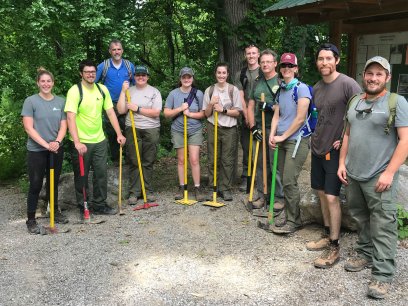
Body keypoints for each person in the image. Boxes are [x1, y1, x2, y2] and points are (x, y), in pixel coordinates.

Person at [338, 56, 408, 299]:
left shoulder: (396, 102)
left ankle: (383, 275)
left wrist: (389, 172)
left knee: (384, 226)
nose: (373, 78)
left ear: (387, 78)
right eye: (370, 73)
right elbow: (347, 134)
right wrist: (341, 163)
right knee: (360, 217)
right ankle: (365, 253)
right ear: (364, 76)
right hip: (354, 174)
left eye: (379, 74)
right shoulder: (356, 100)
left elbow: (405, 141)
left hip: (379, 176)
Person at [307, 43, 361, 269]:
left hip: (335, 150)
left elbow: (360, 114)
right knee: (320, 193)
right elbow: (318, 117)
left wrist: (345, 137)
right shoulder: (317, 87)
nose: (324, 63)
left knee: (331, 197)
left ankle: (335, 246)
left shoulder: (348, 84)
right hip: (318, 147)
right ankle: (328, 234)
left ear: (336, 60)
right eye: (321, 59)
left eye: (329, 58)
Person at [65, 59, 126, 216]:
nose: (91, 74)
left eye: (93, 72)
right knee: (82, 175)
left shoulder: (102, 89)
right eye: (87, 72)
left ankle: (99, 204)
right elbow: (70, 118)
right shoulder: (74, 91)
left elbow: (111, 112)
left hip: (99, 140)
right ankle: (83, 206)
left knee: (101, 173)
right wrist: (77, 142)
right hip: (81, 142)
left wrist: (119, 134)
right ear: (81, 73)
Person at [268, 53, 312, 234]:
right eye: (283, 65)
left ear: (296, 69)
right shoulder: (281, 89)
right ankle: (289, 215)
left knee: (288, 180)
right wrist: (272, 135)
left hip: (297, 140)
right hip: (281, 139)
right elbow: (276, 115)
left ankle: (294, 221)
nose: (286, 68)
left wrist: (282, 136)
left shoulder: (301, 89)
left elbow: (300, 118)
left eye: (290, 65)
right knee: (283, 179)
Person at [21, 68, 68, 233]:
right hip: (37, 150)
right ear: (38, 83)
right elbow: (28, 128)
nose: (46, 84)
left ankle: (54, 211)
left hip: (56, 149)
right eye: (43, 81)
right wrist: (46, 144)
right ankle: (31, 220)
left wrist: (56, 142)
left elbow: (64, 125)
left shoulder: (61, 102)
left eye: (49, 81)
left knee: (53, 182)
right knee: (35, 184)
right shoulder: (31, 101)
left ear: (53, 83)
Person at [117, 65, 162, 204]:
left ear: (148, 77)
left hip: (151, 128)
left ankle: (147, 191)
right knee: (134, 160)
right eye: (138, 75)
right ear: (134, 77)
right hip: (133, 128)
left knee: (148, 161)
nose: (141, 77)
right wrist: (123, 92)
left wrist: (137, 109)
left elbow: (156, 112)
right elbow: (120, 110)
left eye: (143, 75)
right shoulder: (129, 91)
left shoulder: (155, 92)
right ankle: (134, 192)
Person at [247, 49, 284, 210]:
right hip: (259, 129)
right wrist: (253, 127)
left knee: (274, 164)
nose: (265, 64)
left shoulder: (281, 81)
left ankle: (278, 198)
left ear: (275, 63)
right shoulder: (256, 82)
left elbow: (287, 106)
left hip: (276, 129)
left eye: (269, 61)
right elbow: (250, 106)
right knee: (260, 164)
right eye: (263, 62)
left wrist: (269, 107)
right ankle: (263, 195)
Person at [164, 67, 205, 201]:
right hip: (178, 130)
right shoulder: (173, 94)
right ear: (180, 79)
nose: (187, 79)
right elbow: (166, 113)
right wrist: (180, 109)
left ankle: (197, 188)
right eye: (184, 77)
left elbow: (203, 113)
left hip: (194, 130)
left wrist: (190, 114)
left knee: (194, 159)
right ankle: (182, 187)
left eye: (189, 77)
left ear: (192, 78)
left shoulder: (198, 93)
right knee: (181, 160)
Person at [202, 62, 242, 201]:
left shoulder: (233, 90)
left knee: (227, 159)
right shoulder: (210, 90)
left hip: (229, 129)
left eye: (224, 73)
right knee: (213, 158)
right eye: (219, 72)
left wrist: (223, 110)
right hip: (213, 126)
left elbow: (237, 112)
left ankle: (225, 188)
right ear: (215, 74)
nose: (221, 75)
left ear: (227, 74)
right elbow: (206, 114)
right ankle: (213, 187)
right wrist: (211, 104)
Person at [96, 39, 135, 163]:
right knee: (112, 133)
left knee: (128, 130)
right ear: (110, 51)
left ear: (122, 50)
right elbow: (94, 83)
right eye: (114, 49)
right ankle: (116, 160)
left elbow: (135, 84)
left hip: (126, 103)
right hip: (110, 105)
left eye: (119, 49)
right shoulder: (104, 66)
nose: (116, 52)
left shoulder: (129, 65)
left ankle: (129, 160)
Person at [234, 45, 260, 191]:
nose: (251, 56)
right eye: (248, 53)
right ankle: (246, 177)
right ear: (245, 55)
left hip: (261, 116)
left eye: (253, 53)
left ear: (258, 54)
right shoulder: (240, 74)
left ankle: (260, 178)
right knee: (246, 148)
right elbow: (240, 96)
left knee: (260, 149)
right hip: (245, 117)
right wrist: (246, 116)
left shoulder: (264, 70)